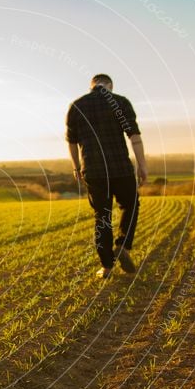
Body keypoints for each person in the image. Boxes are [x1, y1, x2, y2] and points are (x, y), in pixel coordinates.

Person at [66, 73, 148, 279]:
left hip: (93, 171)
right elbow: (135, 137)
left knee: (102, 217)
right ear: (109, 86)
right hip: (120, 168)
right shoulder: (120, 102)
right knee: (130, 205)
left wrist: (76, 167)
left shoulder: (77, 106)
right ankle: (123, 245)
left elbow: (72, 142)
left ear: (91, 85)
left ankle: (107, 267)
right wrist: (142, 165)